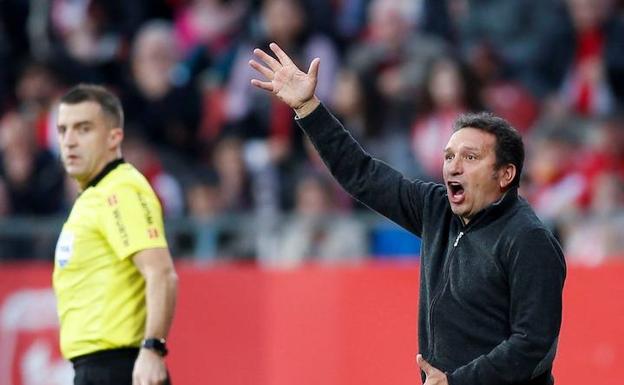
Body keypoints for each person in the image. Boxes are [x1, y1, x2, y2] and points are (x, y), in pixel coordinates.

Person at [249, 43, 566, 385]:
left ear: (506, 174)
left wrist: (458, 382)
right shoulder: (437, 209)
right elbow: (363, 175)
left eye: (470, 158)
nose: (453, 167)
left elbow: (532, 344)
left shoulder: (528, 239)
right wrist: (308, 107)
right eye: (448, 156)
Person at [53, 84, 178, 385]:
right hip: (97, 368)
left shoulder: (120, 190)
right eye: (63, 130)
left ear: (114, 137)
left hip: (118, 367)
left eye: (83, 129)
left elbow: (161, 273)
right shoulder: (94, 195)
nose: (69, 141)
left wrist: (153, 349)